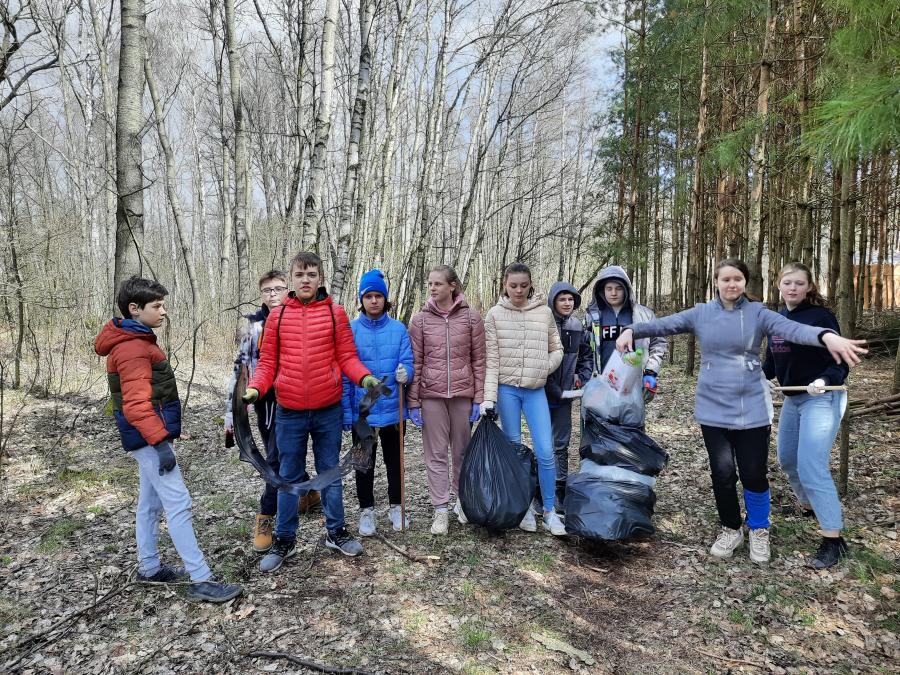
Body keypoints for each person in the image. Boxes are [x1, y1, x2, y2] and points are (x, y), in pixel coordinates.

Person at [615, 258, 866, 564]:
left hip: (752, 408)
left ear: (745, 283)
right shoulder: (701, 313)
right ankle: (731, 528)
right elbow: (664, 324)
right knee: (722, 473)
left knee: (753, 473)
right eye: (726, 279)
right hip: (713, 407)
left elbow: (794, 329)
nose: (732, 284)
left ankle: (759, 529)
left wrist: (826, 336)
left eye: (738, 279)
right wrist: (632, 330)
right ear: (716, 282)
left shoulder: (759, 313)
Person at [94, 276, 242, 603]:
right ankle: (201, 579)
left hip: (148, 436)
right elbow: (136, 405)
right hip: (148, 438)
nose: (163, 311)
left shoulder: (136, 340)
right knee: (179, 502)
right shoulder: (133, 347)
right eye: (157, 306)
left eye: (163, 305)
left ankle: (149, 568)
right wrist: (160, 443)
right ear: (135, 309)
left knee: (150, 503)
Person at [243, 251, 380, 572]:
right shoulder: (277, 316)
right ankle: (284, 539)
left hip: (327, 411)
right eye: (300, 274)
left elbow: (347, 357)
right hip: (289, 412)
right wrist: (256, 388)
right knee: (288, 477)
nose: (306, 280)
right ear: (292, 279)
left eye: (312, 274)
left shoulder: (335, 313)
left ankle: (336, 531)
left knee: (329, 473)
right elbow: (268, 363)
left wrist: (364, 377)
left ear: (320, 278)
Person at [224, 270, 319, 554]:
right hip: (265, 402)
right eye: (267, 290)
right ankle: (307, 494)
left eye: (278, 289)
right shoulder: (254, 326)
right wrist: (231, 414)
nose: (273, 294)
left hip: (297, 400)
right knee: (278, 458)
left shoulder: (299, 317)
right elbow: (240, 369)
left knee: (278, 459)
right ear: (261, 294)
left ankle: (267, 515)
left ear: (287, 289)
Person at [763, 262, 850, 569]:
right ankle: (810, 506)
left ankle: (834, 540)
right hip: (793, 399)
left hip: (821, 397)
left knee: (811, 465)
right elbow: (771, 363)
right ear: (778, 285)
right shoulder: (777, 319)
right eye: (788, 282)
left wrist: (824, 380)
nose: (793, 288)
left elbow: (840, 363)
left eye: (799, 283)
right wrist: (757, 376)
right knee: (788, 459)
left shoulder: (820, 318)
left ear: (809, 287)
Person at [482, 263, 566, 536]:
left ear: (531, 285)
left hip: (535, 390)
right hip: (507, 390)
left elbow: (557, 348)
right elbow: (491, 360)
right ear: (504, 285)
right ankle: (524, 507)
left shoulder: (544, 312)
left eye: (523, 285)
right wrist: (489, 398)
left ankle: (550, 511)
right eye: (513, 285)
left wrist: (543, 367)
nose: (518, 290)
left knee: (545, 450)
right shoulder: (494, 315)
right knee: (514, 449)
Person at [408, 265, 486, 535]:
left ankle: (461, 500)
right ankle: (440, 508)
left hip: (463, 394)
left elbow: (479, 360)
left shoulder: (472, 318)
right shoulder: (419, 321)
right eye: (430, 283)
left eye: (438, 283)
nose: (432, 288)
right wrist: (413, 402)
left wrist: (479, 398)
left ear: (452, 286)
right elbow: (416, 362)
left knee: (462, 451)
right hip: (431, 395)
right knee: (436, 453)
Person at [342, 269, 414, 536]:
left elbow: (408, 361)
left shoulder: (398, 329)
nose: (374, 301)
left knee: (395, 462)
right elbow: (345, 373)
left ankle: (396, 506)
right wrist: (346, 411)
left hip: (393, 409)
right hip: (363, 411)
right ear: (362, 300)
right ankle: (366, 510)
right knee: (363, 463)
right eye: (368, 296)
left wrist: (407, 373)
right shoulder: (350, 330)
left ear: (385, 299)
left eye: (378, 296)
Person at [542, 282, 594, 513]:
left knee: (561, 444)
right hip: (541, 394)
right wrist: (551, 385)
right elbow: (538, 358)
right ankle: (539, 488)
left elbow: (586, 355)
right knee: (543, 444)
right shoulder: (543, 324)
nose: (566, 303)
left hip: (566, 396)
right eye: (562, 299)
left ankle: (559, 488)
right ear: (553, 300)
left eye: (570, 299)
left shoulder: (576, 326)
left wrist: (581, 377)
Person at [585, 265, 667, 404]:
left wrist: (651, 371)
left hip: (633, 386)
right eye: (609, 288)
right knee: (600, 418)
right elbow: (584, 351)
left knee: (631, 418)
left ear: (626, 289)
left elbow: (658, 343)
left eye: (618, 288)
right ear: (602, 290)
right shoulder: (592, 317)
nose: (613, 293)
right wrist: (584, 377)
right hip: (600, 385)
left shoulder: (644, 315)